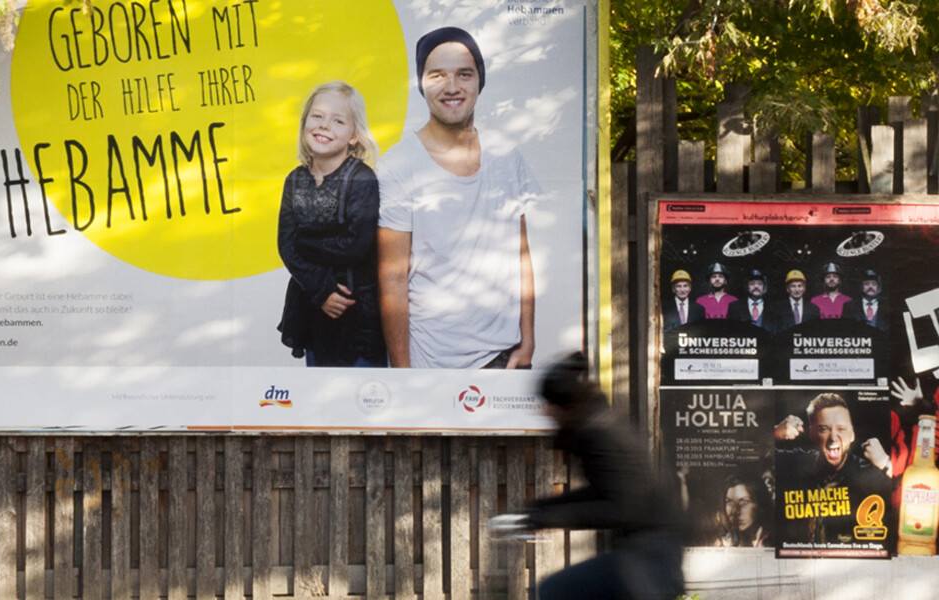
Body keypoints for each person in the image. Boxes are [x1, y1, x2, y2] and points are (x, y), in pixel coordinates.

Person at [377, 26, 537, 369]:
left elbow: (520, 255)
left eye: (464, 74)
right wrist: (403, 371)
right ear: (421, 83)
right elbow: (392, 278)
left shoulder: (507, 158)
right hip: (429, 361)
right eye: (437, 75)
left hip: (503, 359)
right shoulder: (398, 165)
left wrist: (527, 341)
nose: (452, 87)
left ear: (480, 80)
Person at [509, 352, 686, 599]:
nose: (544, 412)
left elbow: (622, 507)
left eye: (547, 404)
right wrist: (544, 507)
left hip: (648, 556)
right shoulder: (595, 426)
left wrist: (550, 516)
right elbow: (604, 491)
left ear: (565, 404)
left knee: (555, 589)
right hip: (647, 551)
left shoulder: (602, 434)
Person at [276, 81, 387, 367]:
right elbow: (287, 246)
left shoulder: (361, 179)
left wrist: (305, 242)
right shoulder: (294, 180)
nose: (325, 125)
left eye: (338, 121)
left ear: (354, 136)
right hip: (313, 304)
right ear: (304, 124)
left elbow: (355, 245)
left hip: (356, 311)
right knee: (319, 386)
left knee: (360, 386)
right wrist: (322, 290)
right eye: (317, 116)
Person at [774, 393, 892, 544]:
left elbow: (906, 497)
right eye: (824, 429)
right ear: (812, 433)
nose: (833, 438)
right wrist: (776, 431)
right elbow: (747, 459)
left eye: (841, 429)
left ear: (852, 435)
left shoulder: (871, 474)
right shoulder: (797, 462)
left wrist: (886, 463)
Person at [714, 473, 771, 548]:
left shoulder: (773, 540)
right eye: (729, 502)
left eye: (744, 502)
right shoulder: (723, 543)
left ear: (760, 504)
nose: (735, 511)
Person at [728, 269, 779, 333]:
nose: (756, 286)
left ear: (765, 287)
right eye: (752, 283)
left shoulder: (775, 308)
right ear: (747, 286)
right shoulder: (735, 307)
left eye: (760, 284)